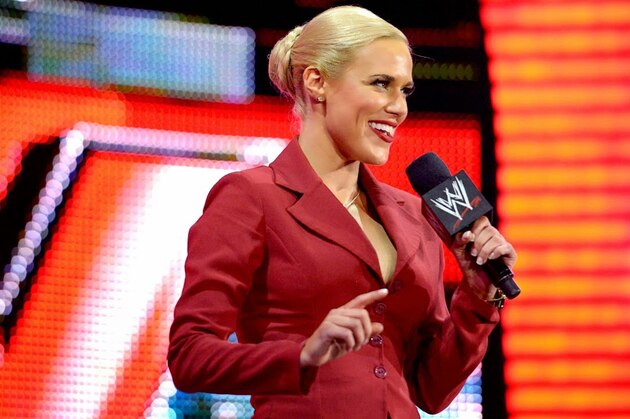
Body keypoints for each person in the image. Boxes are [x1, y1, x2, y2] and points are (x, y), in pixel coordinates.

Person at [167, 5, 516, 419]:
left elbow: (430, 390)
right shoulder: (251, 197)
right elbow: (189, 356)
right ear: (317, 82)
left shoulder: (415, 215)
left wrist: (478, 295)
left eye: (404, 91)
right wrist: (302, 354)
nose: (398, 108)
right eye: (381, 84)